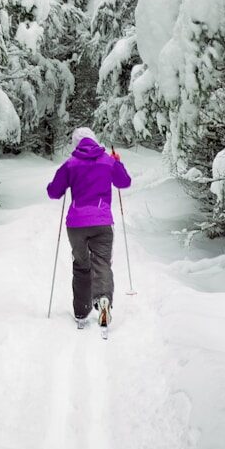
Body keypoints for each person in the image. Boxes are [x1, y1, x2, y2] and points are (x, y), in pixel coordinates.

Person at [46, 127, 132, 328]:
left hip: (76, 224)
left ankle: (81, 311)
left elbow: (53, 192)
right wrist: (117, 162)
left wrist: (65, 181)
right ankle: (103, 300)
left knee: (82, 265)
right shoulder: (107, 161)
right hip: (102, 222)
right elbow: (124, 182)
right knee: (102, 262)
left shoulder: (70, 164)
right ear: (94, 140)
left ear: (76, 144)